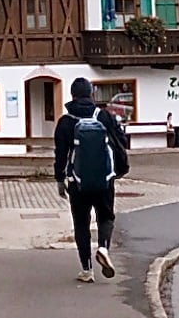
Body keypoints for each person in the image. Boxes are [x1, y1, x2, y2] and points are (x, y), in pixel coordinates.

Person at [54, 77, 128, 283]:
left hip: (77, 183)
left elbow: (60, 154)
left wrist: (60, 179)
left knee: (81, 224)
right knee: (106, 217)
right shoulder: (104, 116)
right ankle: (103, 247)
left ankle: (87, 270)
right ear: (91, 94)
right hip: (104, 180)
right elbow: (122, 141)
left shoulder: (65, 121)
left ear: (72, 96)